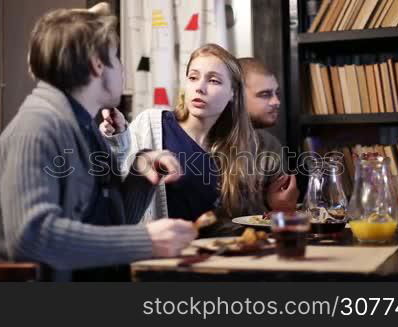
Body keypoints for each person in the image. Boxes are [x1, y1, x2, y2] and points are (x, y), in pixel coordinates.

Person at [0, 4, 197, 281]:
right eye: (116, 58)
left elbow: (112, 222)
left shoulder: (83, 127)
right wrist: (145, 240)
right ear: (98, 64)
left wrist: (141, 170)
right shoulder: (36, 130)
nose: (122, 69)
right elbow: (32, 238)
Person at [100, 44, 298, 235]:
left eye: (213, 81)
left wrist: (280, 207)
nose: (200, 88)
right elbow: (118, 188)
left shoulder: (242, 145)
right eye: (193, 77)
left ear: (233, 93)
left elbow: (242, 222)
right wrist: (118, 139)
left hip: (216, 257)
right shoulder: (153, 123)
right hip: (164, 258)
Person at [238, 57, 298, 210]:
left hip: (264, 234)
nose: (276, 101)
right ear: (236, 97)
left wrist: (282, 207)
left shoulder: (271, 145)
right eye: (265, 94)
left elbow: (280, 211)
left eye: (276, 93)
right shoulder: (205, 144)